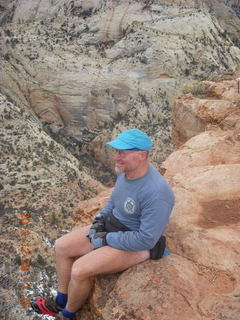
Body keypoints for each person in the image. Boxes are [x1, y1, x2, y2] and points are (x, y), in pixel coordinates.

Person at [31, 128, 175, 320]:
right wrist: (100, 219)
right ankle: (60, 301)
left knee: (80, 270)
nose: (116, 157)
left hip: (135, 242)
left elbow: (146, 238)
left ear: (142, 155)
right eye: (116, 152)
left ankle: (68, 314)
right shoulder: (126, 173)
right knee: (61, 247)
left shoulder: (157, 192)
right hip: (112, 226)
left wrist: (107, 238)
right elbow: (115, 199)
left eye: (122, 153)